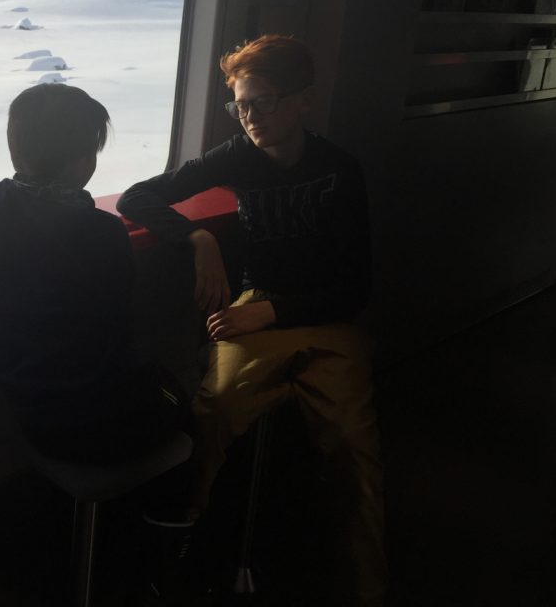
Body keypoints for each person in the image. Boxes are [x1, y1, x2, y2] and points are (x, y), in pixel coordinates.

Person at [117, 35, 386, 606]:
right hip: (254, 302)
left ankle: (364, 583)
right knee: (215, 407)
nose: (249, 117)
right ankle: (194, 548)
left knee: (352, 443)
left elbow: (356, 288)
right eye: (239, 104)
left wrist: (272, 312)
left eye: (262, 102)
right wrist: (196, 238)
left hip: (324, 314)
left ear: (302, 101)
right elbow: (138, 197)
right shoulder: (236, 154)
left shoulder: (340, 171)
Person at [0, 83, 186, 464]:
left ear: (16, 151)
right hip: (111, 420)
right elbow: (118, 328)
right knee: (186, 400)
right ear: (83, 163)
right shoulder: (105, 234)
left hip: (33, 417)